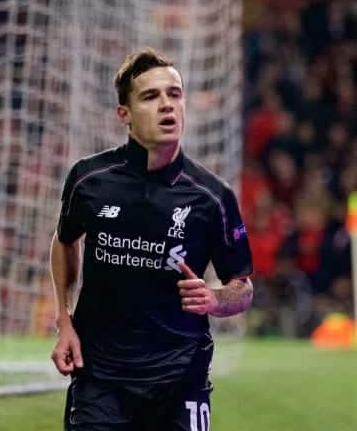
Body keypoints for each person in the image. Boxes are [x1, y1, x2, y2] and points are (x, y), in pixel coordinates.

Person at [50, 48, 253, 430]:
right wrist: (64, 319)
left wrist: (214, 299)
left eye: (174, 94)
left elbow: (242, 288)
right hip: (100, 377)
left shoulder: (213, 197)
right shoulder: (88, 179)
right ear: (123, 115)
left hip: (180, 379)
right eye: (150, 96)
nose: (166, 105)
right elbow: (64, 241)